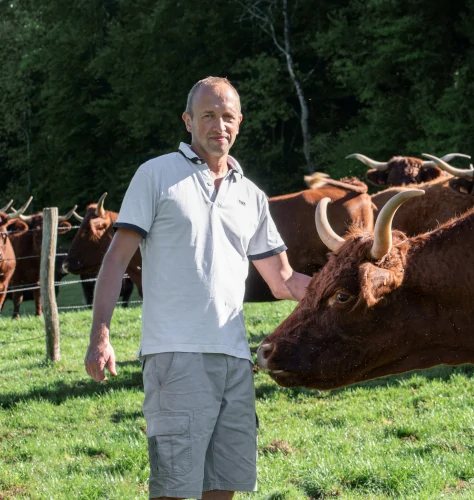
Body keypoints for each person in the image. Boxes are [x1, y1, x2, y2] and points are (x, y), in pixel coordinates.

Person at [84, 76, 311, 500]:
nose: (218, 125)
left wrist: (348, 282)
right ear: (188, 121)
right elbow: (115, 259)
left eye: (227, 116)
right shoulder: (156, 175)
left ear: (239, 122)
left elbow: (283, 281)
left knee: (224, 487)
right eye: (208, 115)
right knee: (174, 489)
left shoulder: (252, 196)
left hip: (234, 360)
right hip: (175, 356)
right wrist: (101, 334)